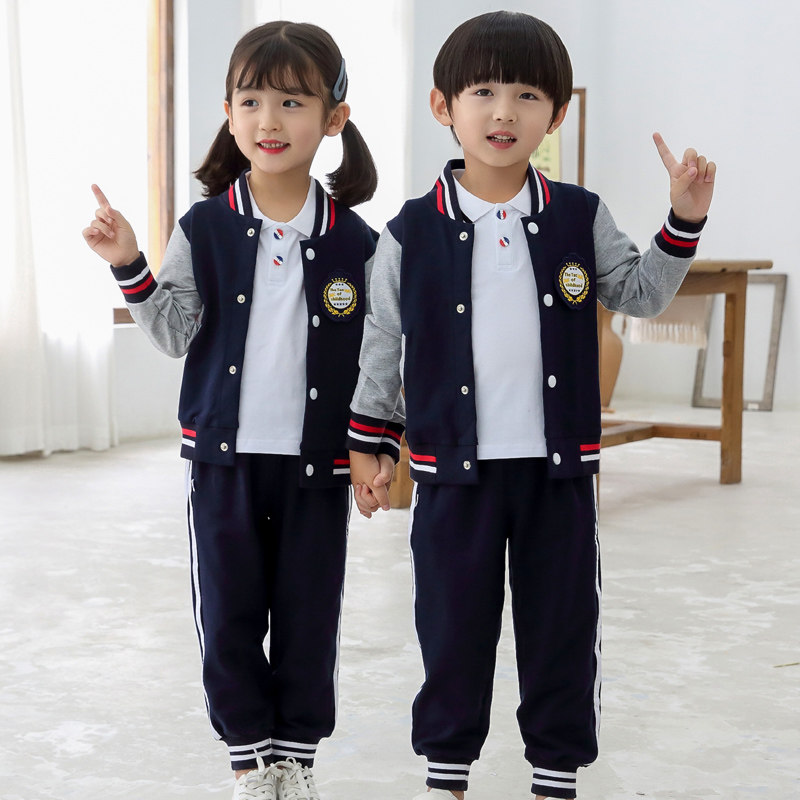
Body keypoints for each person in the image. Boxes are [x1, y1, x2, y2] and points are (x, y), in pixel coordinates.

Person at [347, 10, 715, 800]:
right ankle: (446, 777)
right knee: (452, 631)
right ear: (444, 106)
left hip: (557, 475)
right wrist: (369, 442)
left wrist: (683, 218)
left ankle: (555, 778)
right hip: (452, 476)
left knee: (562, 631)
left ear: (558, 113)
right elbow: (382, 339)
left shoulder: (579, 216)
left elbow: (641, 295)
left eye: (526, 94)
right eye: (482, 92)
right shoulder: (411, 230)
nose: (504, 111)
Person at [83, 21, 380, 800]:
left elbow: (385, 358)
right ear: (228, 113)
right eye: (250, 101)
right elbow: (175, 332)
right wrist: (129, 264)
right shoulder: (204, 228)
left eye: (292, 102)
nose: (268, 120)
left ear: (334, 118)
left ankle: (296, 762)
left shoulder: (360, 244)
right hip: (224, 461)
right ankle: (250, 762)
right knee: (228, 614)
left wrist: (382, 446)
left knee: (309, 618)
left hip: (319, 466)